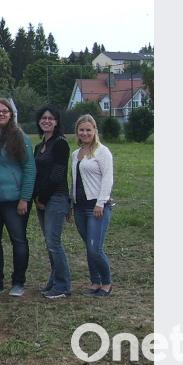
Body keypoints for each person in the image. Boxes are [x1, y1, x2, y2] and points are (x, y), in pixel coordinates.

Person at [0, 99, 36, 297]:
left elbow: (29, 169)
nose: (1, 114)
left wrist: (24, 198)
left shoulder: (19, 137)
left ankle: (18, 282)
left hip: (13, 200)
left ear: (11, 115)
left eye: (5, 111)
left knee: (18, 241)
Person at [71, 115, 114, 297]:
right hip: (79, 207)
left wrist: (100, 202)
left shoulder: (102, 152)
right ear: (77, 132)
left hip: (96, 207)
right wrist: (70, 204)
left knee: (94, 248)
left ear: (95, 130)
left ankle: (106, 283)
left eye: (89, 129)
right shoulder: (76, 154)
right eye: (82, 130)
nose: (85, 133)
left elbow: (108, 178)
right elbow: (74, 180)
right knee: (88, 246)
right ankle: (95, 281)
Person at [33, 106, 72, 299]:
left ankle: (63, 285)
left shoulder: (60, 144)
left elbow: (57, 174)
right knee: (49, 242)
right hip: (41, 199)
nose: (46, 121)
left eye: (51, 118)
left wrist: (43, 198)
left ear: (57, 122)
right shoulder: (39, 147)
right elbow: (36, 174)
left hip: (55, 198)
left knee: (54, 242)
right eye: (43, 118)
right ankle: (54, 280)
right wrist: (34, 197)